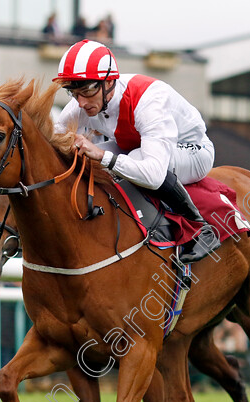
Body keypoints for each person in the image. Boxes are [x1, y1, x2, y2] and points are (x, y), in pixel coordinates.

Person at [53, 40, 221, 263]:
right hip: (135, 143)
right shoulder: (85, 100)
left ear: (108, 82)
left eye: (86, 91)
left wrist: (103, 156)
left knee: (130, 159)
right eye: (73, 93)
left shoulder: (148, 103)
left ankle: (202, 229)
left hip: (193, 151)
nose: (81, 103)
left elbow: (153, 175)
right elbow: (53, 141)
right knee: (77, 155)